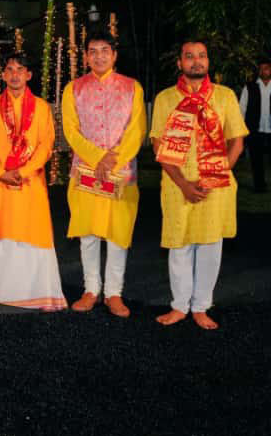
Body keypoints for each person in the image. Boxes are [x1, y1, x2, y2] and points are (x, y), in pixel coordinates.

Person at [151, 40, 247, 330]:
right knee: (180, 245)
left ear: (208, 62)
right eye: (189, 56)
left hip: (214, 185)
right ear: (180, 62)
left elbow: (237, 141)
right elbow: (158, 143)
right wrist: (182, 182)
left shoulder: (225, 96)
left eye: (201, 56)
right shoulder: (166, 98)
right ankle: (180, 306)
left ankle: (201, 306)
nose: (196, 61)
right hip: (177, 182)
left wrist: (218, 173)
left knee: (209, 245)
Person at [62, 31, 146, 318]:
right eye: (93, 51)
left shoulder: (132, 87)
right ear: (86, 56)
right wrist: (99, 157)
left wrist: (114, 159)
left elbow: (136, 130)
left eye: (104, 50)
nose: (98, 56)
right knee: (88, 232)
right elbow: (70, 130)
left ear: (114, 55)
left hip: (121, 172)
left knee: (117, 233)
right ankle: (91, 289)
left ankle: (114, 293)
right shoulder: (74, 88)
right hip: (86, 170)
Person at [0, 52, 66, 311]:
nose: (15, 75)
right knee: (2, 238)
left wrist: (24, 172)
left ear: (29, 75)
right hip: (0, 181)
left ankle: (40, 292)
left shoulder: (41, 107)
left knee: (32, 236)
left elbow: (46, 146)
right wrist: (0, 171)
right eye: (10, 69)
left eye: (20, 70)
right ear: (3, 75)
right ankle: (1, 291)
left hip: (30, 183)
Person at [238, 56, 271, 193]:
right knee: (256, 159)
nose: (264, 71)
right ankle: (259, 185)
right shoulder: (250, 87)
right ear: (259, 71)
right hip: (254, 128)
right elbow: (241, 109)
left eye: (267, 68)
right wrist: (241, 129)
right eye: (262, 68)